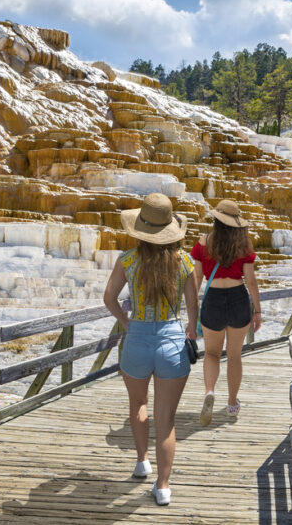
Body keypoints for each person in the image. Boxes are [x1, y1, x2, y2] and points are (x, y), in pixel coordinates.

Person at [102, 192, 198, 507]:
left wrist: (126, 322)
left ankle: (142, 460)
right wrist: (191, 330)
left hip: (138, 339)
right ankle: (163, 486)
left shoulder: (128, 260)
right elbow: (193, 306)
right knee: (166, 420)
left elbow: (109, 299)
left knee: (138, 404)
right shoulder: (185, 261)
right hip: (172, 338)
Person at [190, 199, 262, 425]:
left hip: (213, 298)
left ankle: (209, 391)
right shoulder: (244, 246)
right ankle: (232, 403)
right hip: (238, 298)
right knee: (234, 355)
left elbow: (197, 277)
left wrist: (193, 309)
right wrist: (257, 310)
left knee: (211, 354)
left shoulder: (204, 242)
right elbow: (250, 281)